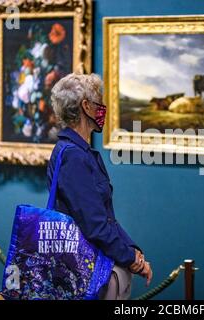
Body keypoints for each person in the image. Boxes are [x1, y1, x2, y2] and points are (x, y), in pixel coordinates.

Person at [47, 73, 152, 300]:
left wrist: (133, 250)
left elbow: (105, 218)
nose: (102, 109)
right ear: (86, 106)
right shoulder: (74, 157)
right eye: (98, 103)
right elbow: (95, 225)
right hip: (85, 273)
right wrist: (129, 257)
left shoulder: (78, 152)